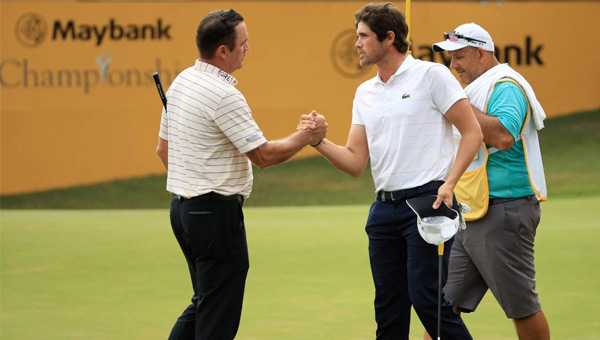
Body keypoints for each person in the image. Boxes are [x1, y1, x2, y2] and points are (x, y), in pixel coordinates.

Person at [304, 3, 482, 339]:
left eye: (363, 36)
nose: (356, 43)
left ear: (388, 38)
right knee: (388, 307)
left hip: (428, 203)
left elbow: (472, 131)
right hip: (383, 211)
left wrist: (451, 183)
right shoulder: (364, 92)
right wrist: (319, 142)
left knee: (427, 300)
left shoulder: (432, 76)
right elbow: (356, 161)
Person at [155, 9, 326, 340]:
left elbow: (163, 151)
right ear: (223, 50)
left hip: (183, 210)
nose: (248, 48)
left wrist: (193, 184)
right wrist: (306, 136)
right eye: (243, 43)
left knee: (205, 302)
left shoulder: (181, 82)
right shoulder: (223, 95)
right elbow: (263, 155)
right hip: (213, 213)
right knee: (217, 315)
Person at [425, 23, 550, 340]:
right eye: (450, 60)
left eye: (460, 57)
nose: (454, 67)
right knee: (440, 306)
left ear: (480, 52)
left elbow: (503, 135)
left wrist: (456, 107)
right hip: (470, 212)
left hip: (504, 209)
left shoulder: (506, 85)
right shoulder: (473, 89)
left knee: (522, 306)